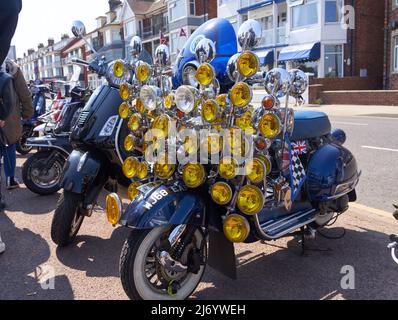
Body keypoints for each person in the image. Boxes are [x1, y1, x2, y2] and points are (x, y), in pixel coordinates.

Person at [0, 0, 23, 255]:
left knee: (7, 148)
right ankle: (9, 178)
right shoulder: (12, 70)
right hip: (8, 117)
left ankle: (8, 178)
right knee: (8, 148)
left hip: (8, 116)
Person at [1, 59, 34, 190]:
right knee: (9, 144)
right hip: (9, 113)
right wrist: (27, 112)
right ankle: (10, 179)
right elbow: (24, 93)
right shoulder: (11, 67)